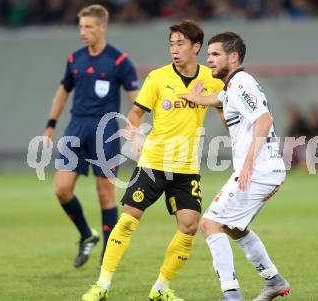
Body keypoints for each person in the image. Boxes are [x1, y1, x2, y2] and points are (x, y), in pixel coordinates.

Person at [82, 20, 224, 301]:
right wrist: (135, 138)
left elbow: (224, 111)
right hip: (153, 162)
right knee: (128, 220)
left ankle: (160, 288)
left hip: (186, 168)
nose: (174, 49)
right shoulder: (157, 78)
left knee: (189, 226)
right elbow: (135, 114)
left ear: (196, 47)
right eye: (171, 44)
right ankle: (102, 285)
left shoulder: (211, 79)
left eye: (180, 44)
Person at [179, 32, 290, 301]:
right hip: (266, 171)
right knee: (234, 226)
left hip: (258, 170)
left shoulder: (240, 83)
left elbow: (264, 120)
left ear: (234, 57)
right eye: (208, 56)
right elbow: (219, 99)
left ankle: (231, 294)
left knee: (210, 224)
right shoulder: (232, 88)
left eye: (215, 55)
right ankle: (273, 280)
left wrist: (249, 162)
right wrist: (196, 98)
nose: (210, 60)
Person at [43, 4, 139, 268]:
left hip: (105, 131)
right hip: (76, 128)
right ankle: (87, 235)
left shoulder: (119, 61)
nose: (83, 32)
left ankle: (107, 255)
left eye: (88, 27)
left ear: (102, 27)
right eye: (81, 27)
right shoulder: (75, 59)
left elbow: (137, 102)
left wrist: (134, 130)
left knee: (105, 194)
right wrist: (51, 123)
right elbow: (63, 90)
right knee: (61, 190)